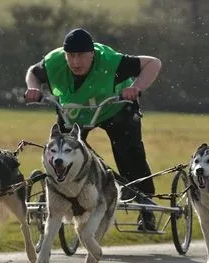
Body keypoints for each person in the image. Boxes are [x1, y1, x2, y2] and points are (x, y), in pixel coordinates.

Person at [24, 28, 162, 231]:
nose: (75, 62)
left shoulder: (111, 61)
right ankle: (61, 198)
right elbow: (33, 74)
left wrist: (136, 87)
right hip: (75, 113)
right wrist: (33, 88)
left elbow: (153, 63)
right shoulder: (54, 61)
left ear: (92, 54)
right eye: (71, 56)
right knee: (62, 152)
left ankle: (145, 207)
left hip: (115, 108)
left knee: (129, 153)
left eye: (81, 56)